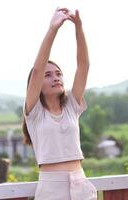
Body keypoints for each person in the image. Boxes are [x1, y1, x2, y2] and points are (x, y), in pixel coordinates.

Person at [22, 7, 97, 200]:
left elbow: (84, 66)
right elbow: (37, 70)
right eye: (49, 75)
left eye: (58, 74)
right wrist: (52, 29)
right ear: (37, 84)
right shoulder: (34, 112)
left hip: (80, 183)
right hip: (51, 189)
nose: (56, 78)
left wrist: (78, 27)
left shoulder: (72, 106)